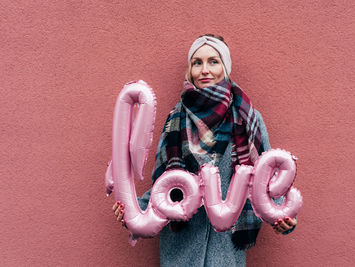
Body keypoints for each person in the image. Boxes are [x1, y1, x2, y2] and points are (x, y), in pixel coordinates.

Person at [112, 34, 297, 266]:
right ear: (190, 70)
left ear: (225, 66)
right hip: (180, 247)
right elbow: (164, 183)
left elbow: (268, 180)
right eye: (197, 62)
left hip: (226, 248)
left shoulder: (248, 118)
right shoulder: (175, 120)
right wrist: (134, 209)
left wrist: (284, 216)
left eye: (213, 61)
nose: (205, 70)